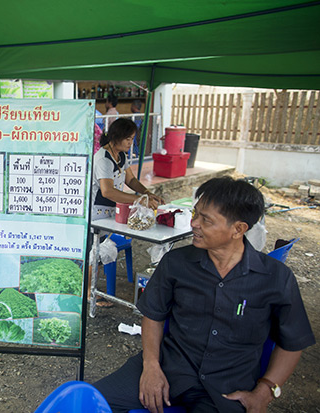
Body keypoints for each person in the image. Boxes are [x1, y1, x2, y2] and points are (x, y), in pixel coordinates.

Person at [93, 176, 315, 412]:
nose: (194, 224)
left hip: (226, 389)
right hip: (170, 366)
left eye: (205, 220)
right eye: (195, 214)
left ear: (238, 229)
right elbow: (154, 315)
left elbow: (292, 342)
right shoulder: (176, 263)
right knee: (87, 404)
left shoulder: (275, 278)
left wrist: (266, 390)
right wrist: (151, 366)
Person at [90, 118, 164, 307]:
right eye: (128, 139)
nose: (131, 143)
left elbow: (130, 180)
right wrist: (140, 200)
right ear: (117, 137)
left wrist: (148, 193)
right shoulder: (102, 159)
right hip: (95, 212)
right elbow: (107, 191)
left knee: (101, 251)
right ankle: (90, 294)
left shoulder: (120, 156)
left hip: (110, 211)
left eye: (132, 139)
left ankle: (93, 290)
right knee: (93, 251)